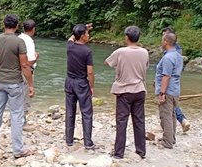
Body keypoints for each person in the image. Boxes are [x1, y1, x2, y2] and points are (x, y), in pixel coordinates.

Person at [0, 14, 34, 158]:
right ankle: (17, 149)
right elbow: (24, 65)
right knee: (16, 115)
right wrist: (31, 84)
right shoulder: (19, 42)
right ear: (16, 26)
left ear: (4, 25)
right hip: (14, 83)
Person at [104, 26, 149, 159]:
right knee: (139, 121)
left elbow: (107, 62)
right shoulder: (144, 52)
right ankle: (141, 151)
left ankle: (119, 153)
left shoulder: (120, 52)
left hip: (124, 91)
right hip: (140, 89)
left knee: (122, 122)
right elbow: (145, 66)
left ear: (127, 37)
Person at [65, 23, 95, 150]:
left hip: (69, 81)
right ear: (82, 36)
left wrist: (82, 29)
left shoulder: (70, 46)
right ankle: (88, 142)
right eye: (87, 33)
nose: (88, 35)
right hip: (81, 83)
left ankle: (69, 140)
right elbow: (90, 71)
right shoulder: (87, 51)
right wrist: (91, 86)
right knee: (86, 112)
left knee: (70, 112)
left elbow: (71, 38)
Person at [155, 32, 183, 149]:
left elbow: (166, 76)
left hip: (168, 90)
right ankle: (171, 138)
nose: (161, 42)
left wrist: (162, 93)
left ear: (166, 42)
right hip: (175, 89)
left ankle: (167, 142)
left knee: (165, 115)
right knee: (171, 115)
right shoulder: (178, 55)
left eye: (162, 40)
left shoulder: (167, 57)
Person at [162, 27, 190, 132]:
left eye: (165, 35)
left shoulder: (170, 52)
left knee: (169, 104)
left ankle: (180, 121)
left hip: (169, 81)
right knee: (173, 103)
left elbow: (167, 72)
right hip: (176, 81)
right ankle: (180, 122)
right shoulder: (178, 49)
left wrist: (161, 89)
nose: (163, 38)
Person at [18, 19, 39, 124]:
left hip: (16, 71)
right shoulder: (29, 41)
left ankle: (15, 118)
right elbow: (28, 62)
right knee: (26, 95)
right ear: (33, 29)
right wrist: (36, 58)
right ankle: (22, 120)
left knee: (18, 95)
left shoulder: (18, 38)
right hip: (25, 71)